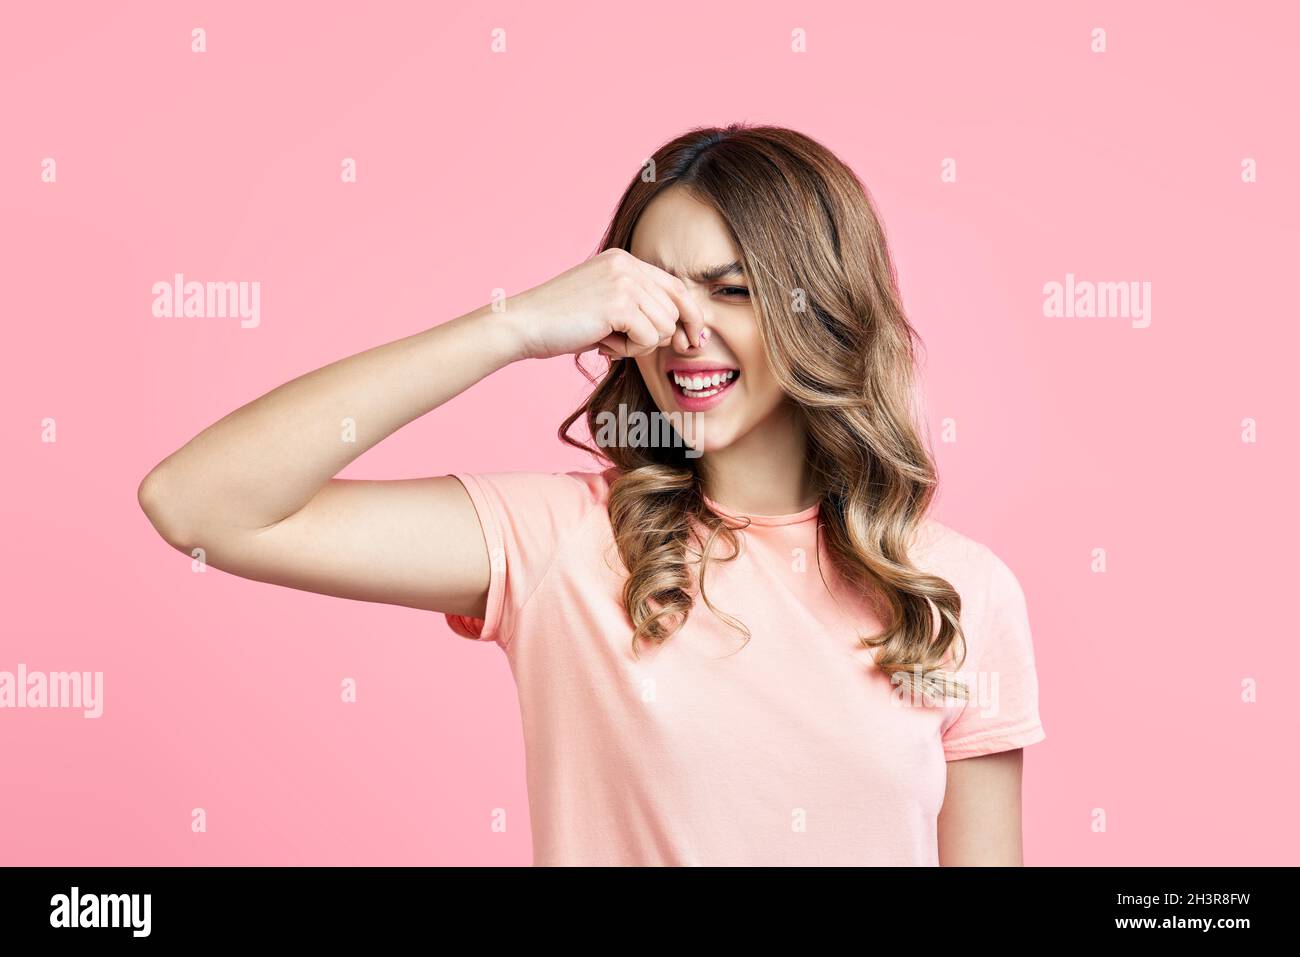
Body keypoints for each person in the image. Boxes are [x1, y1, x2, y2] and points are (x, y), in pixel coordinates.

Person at [138, 123, 1046, 866]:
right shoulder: (563, 542)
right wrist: (516, 324)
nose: (683, 329)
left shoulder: (958, 591)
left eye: (732, 291)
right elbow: (199, 503)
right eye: (650, 290)